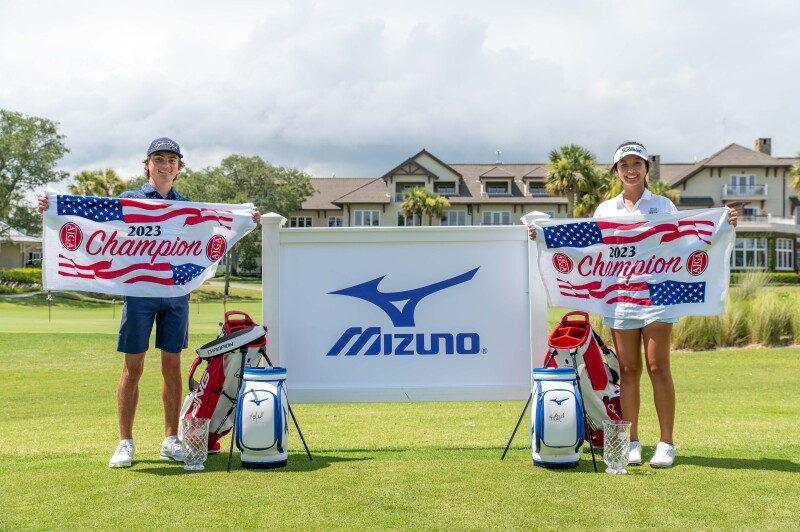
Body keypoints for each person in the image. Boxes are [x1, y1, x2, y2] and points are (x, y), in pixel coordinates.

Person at [39, 137, 260, 468]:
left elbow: (218, 225)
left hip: (175, 295)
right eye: (159, 158)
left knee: (172, 367)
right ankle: (125, 442)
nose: (165, 164)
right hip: (139, 294)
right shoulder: (130, 200)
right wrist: (52, 206)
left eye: (172, 159)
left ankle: (171, 440)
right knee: (134, 367)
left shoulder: (186, 205)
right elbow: (97, 220)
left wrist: (245, 217)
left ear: (178, 167)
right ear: (148, 164)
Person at [529, 140, 737, 468]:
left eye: (636, 163)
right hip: (620, 298)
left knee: (658, 367)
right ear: (616, 171)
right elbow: (589, 250)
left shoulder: (663, 206)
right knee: (627, 371)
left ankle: (666, 443)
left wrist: (722, 225)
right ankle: (632, 442)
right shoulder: (606, 210)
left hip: (658, 296)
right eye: (624, 164)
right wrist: (544, 236)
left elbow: (687, 240)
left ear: (646, 169)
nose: (631, 169)